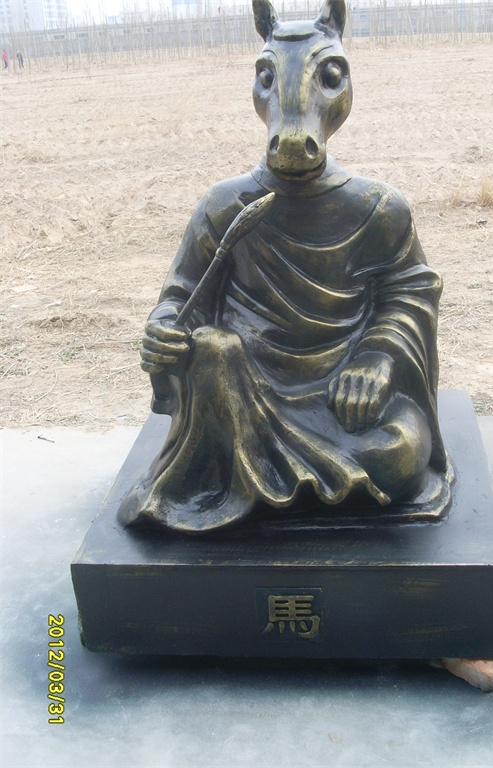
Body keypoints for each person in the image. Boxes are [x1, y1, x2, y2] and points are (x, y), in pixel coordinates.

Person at [117, 0, 453, 534]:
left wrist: (377, 356)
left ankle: (248, 475)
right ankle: (247, 466)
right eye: (271, 79)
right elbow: (182, 297)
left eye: (329, 77)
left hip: (342, 399)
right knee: (215, 352)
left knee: (403, 451)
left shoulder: (379, 208)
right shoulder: (224, 205)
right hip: (241, 391)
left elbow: (409, 293)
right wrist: (164, 331)